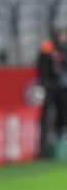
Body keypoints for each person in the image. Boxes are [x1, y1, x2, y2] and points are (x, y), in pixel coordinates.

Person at [38, 27, 67, 156]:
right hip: (50, 87)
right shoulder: (47, 48)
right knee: (46, 114)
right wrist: (44, 83)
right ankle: (43, 146)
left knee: (62, 113)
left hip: (62, 88)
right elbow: (42, 67)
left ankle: (61, 136)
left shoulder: (64, 50)